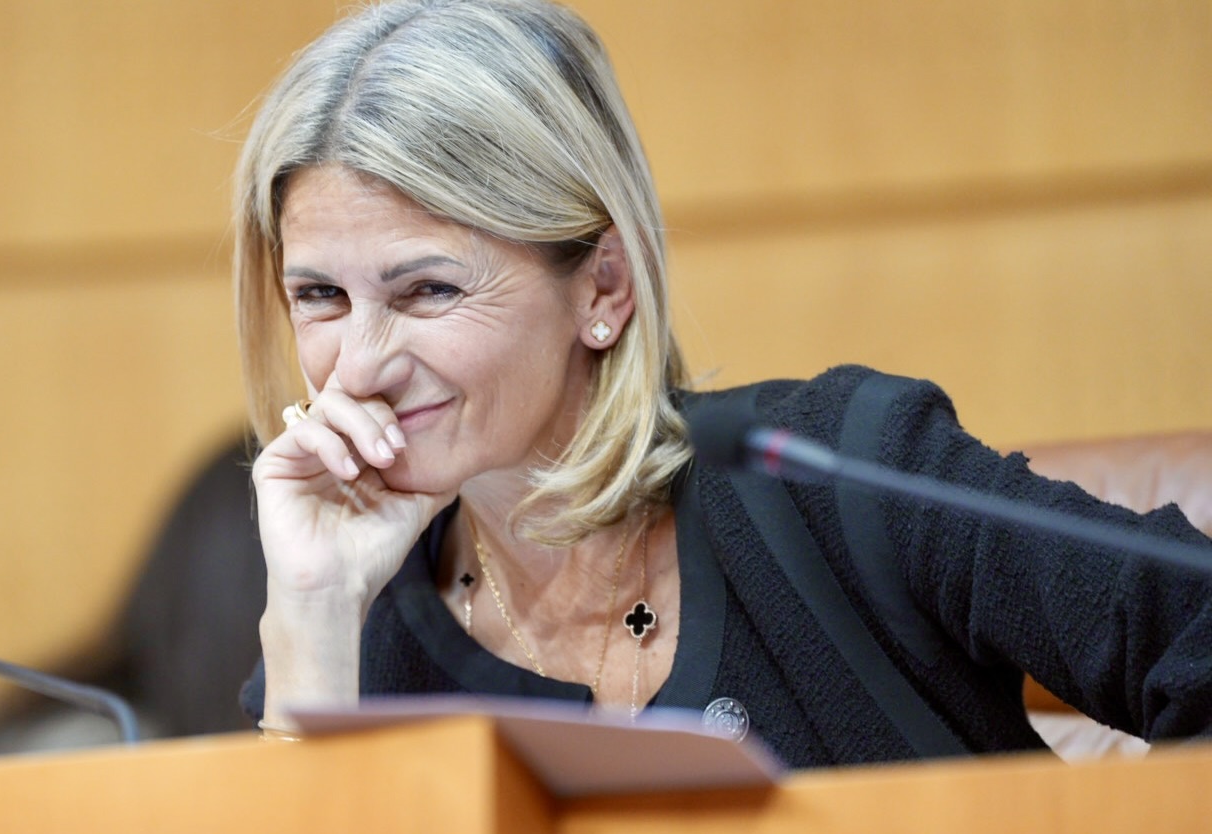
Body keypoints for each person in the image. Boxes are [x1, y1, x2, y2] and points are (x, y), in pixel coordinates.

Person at [232, 0, 1212, 767]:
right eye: (318, 295)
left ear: (602, 287)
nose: (357, 364)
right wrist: (314, 620)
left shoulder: (840, 471)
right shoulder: (351, 649)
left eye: (426, 289)